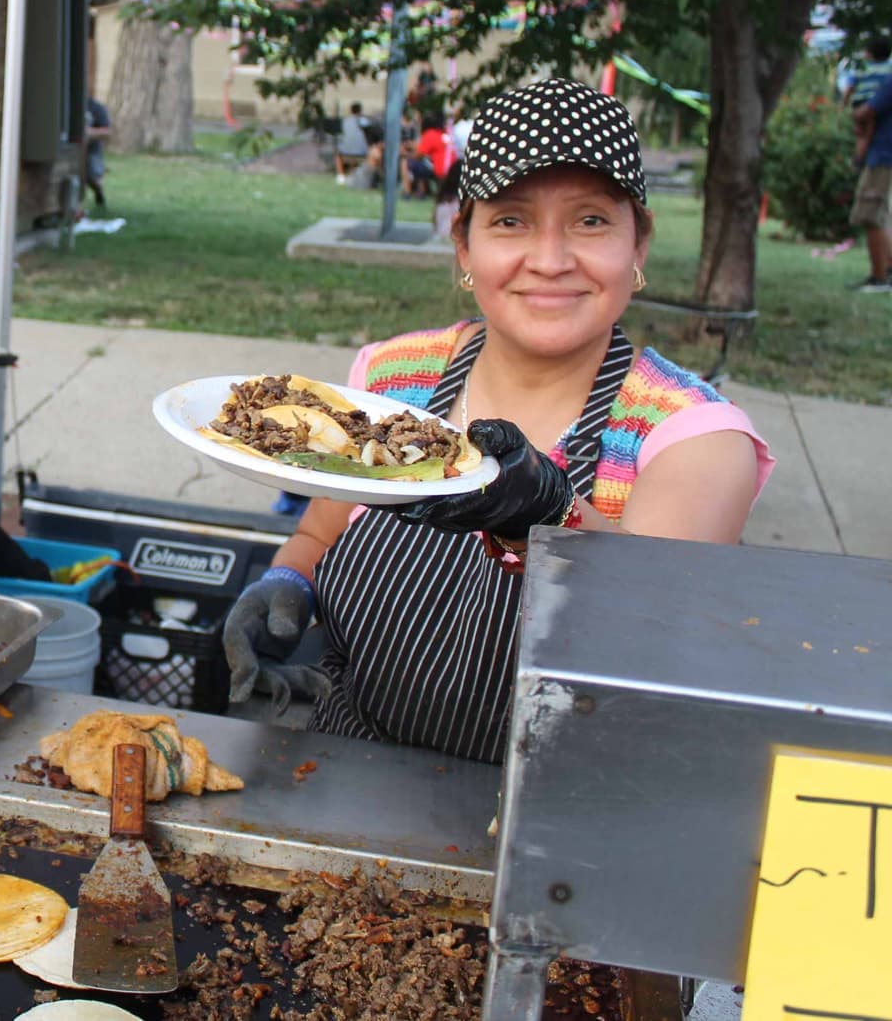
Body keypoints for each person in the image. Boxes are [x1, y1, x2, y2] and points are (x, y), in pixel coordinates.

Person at [224, 77, 773, 762]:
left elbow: (652, 632)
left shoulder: (693, 438)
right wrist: (286, 583)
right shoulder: (395, 380)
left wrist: (552, 516)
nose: (549, 260)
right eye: (511, 220)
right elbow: (320, 530)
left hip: (554, 825)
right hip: (347, 779)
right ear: (464, 245)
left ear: (639, 246)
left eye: (591, 221)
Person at [850, 45, 892, 292]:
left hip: (883, 154)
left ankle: (879, 277)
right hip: (882, 153)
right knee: (881, 215)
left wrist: (854, 114)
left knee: (869, 213)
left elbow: (866, 111)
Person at [84, 94, 112, 210]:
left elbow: (108, 131)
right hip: (74, 148)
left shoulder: (95, 107)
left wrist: (90, 133)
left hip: (92, 148)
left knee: (93, 175)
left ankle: (99, 192)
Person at [334, 102, 368, 184]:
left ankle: (341, 176)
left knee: (337, 155)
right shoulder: (364, 120)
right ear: (360, 110)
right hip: (362, 151)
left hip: (347, 150)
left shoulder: (346, 121)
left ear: (351, 111)